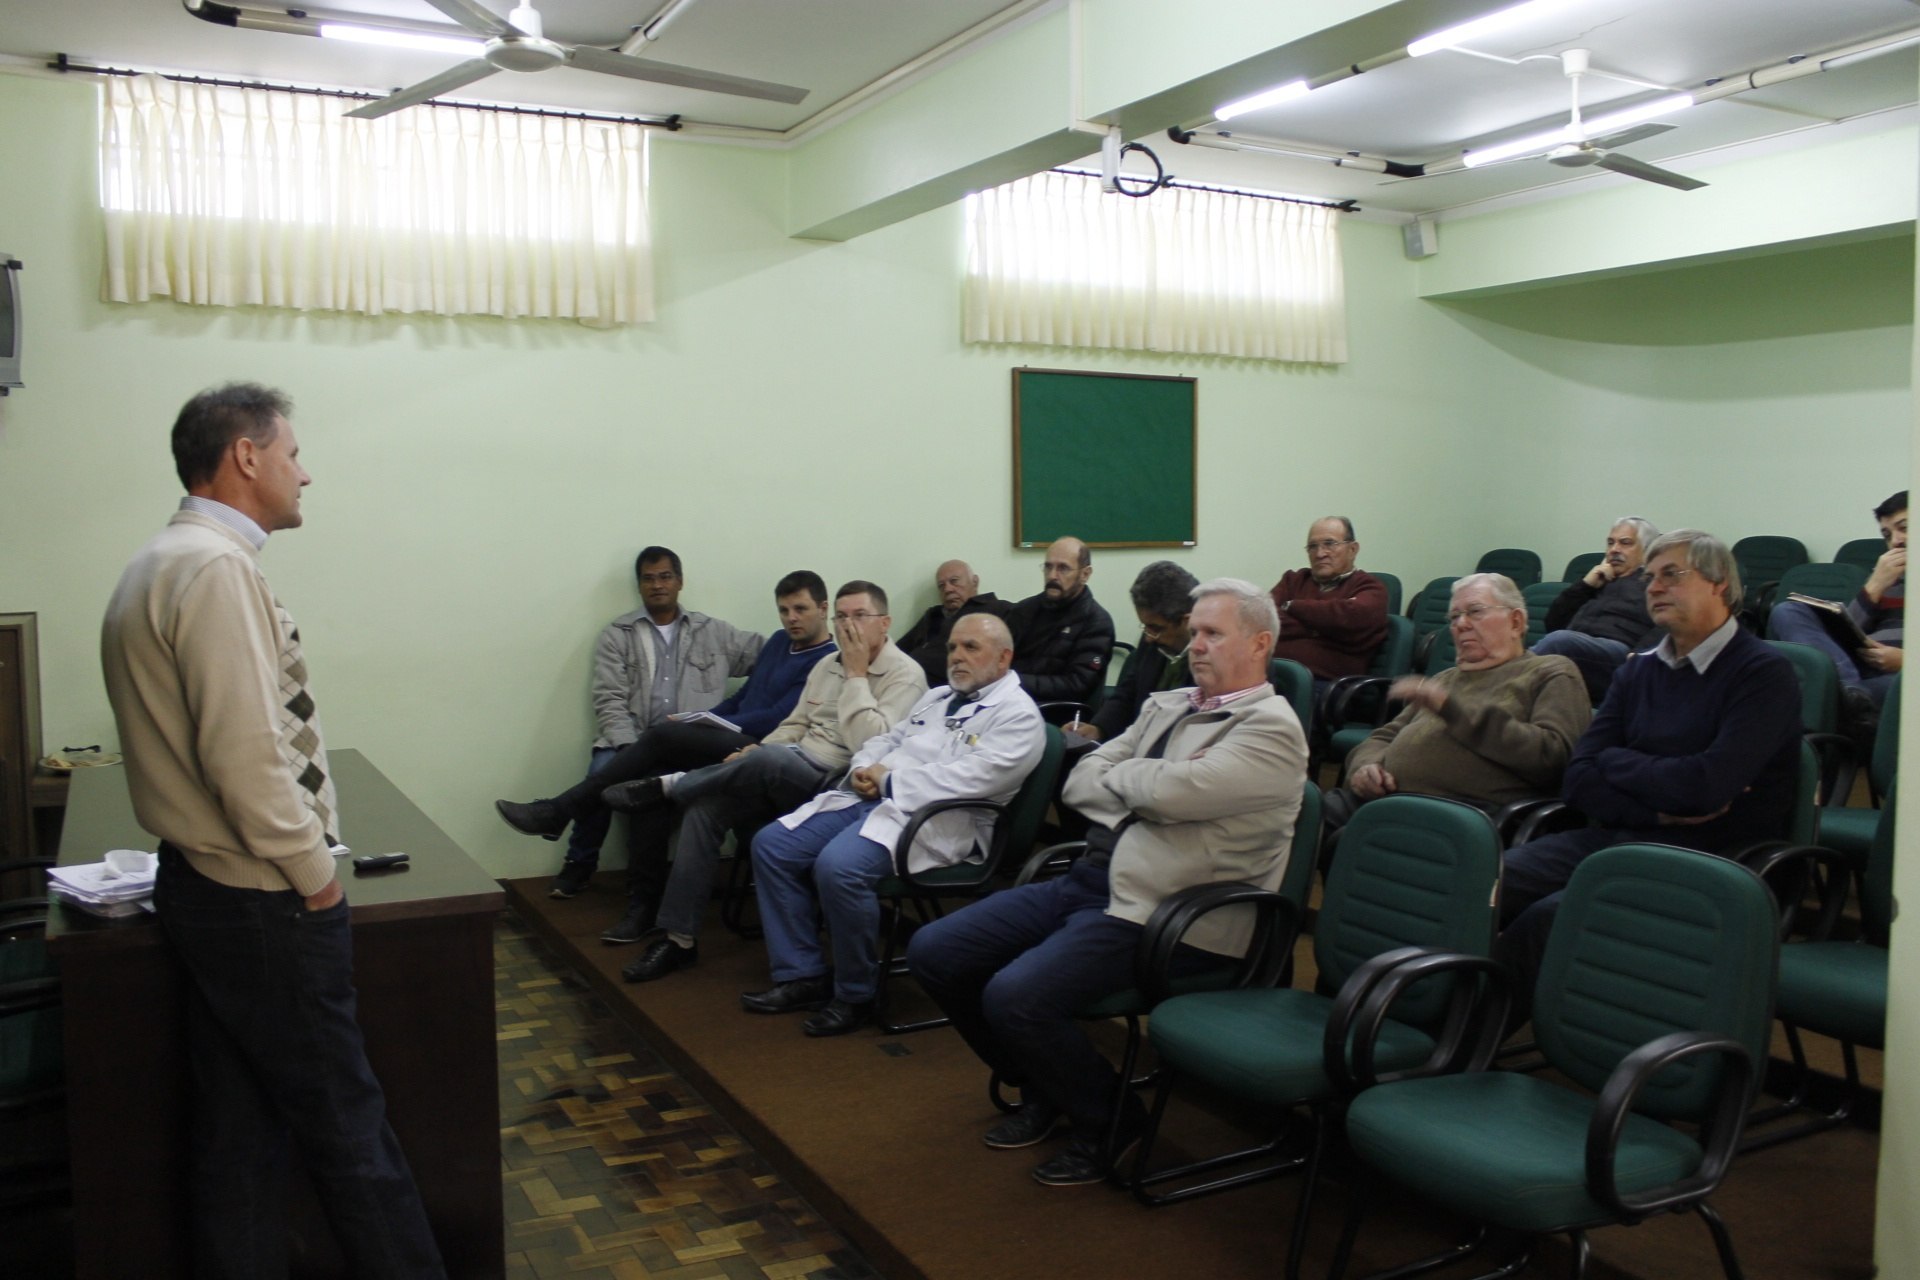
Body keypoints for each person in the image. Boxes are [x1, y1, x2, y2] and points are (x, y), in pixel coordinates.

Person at [100, 383, 445, 1278]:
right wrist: (315, 875)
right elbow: (248, 755)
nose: (306, 474)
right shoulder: (213, 570)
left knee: (241, 1132)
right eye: (292, 454)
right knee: (350, 1130)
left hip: (204, 887)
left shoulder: (161, 558)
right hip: (259, 897)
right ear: (245, 457)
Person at [907, 579, 1308, 1186]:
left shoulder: (1271, 729)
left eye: (1211, 633)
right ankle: (1047, 1086)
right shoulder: (1167, 704)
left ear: (1258, 643)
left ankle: (1114, 1118)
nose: (1194, 645)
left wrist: (1136, 782)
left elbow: (1172, 793)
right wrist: (1149, 787)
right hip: (1095, 880)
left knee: (1016, 995)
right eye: (1193, 631)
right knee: (935, 951)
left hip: (1172, 913)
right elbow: (1078, 779)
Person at [603, 581, 927, 984]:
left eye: (860, 616)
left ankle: (671, 785)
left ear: (885, 623)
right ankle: (678, 939)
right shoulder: (826, 666)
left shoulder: (905, 675)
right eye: (841, 617)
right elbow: (794, 725)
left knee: (770, 759)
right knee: (705, 811)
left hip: (837, 783)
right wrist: (754, 752)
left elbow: (873, 747)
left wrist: (858, 675)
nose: (849, 626)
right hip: (786, 765)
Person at [740, 613, 1046, 1037]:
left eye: (971, 648)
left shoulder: (1018, 717)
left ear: (1004, 657)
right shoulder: (939, 697)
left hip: (937, 821)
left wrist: (887, 780)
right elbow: (886, 738)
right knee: (772, 844)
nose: (957, 656)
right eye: (954, 647)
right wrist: (866, 766)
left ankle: (856, 994)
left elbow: (966, 782)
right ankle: (802, 974)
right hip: (880, 797)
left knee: (839, 868)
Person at [493, 570, 837, 933]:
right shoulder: (779, 642)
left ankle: (560, 810)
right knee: (647, 784)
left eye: (800, 609)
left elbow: (779, 717)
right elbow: (742, 697)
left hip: (763, 750)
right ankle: (644, 905)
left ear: (823, 608)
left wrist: (712, 725)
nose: (791, 618)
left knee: (661, 736)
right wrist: (704, 719)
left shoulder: (827, 659)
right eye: (784, 610)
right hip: (732, 740)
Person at [1501, 530, 1801, 931]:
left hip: (1705, 857)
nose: (1654, 587)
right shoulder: (1637, 669)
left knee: (1547, 922)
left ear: (1720, 584)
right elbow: (1578, 778)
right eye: (1650, 578)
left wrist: (1615, 760)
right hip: (1617, 837)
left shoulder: (1763, 673)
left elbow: (1705, 788)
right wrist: (1656, 809)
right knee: (1483, 882)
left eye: (1672, 574)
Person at [546, 545, 763, 925]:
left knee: (649, 780)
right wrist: (632, 748)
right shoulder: (619, 634)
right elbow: (608, 698)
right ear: (639, 586)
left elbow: (772, 655)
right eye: (649, 578)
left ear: (679, 581)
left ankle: (642, 889)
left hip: (693, 744)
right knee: (603, 770)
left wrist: (815, 654)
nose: (657, 585)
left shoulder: (713, 632)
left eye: (665, 576)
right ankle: (579, 864)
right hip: (631, 739)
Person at [1332, 573, 1590, 833]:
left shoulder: (1551, 672)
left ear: (1516, 622)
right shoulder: (1445, 678)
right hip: (1386, 801)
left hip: (1464, 816)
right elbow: (1383, 737)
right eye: (1454, 617)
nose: (1461, 624)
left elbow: (1553, 758)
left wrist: (1453, 710)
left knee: (1351, 841)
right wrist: (1366, 766)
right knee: (1301, 811)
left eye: (1475, 611)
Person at [1769, 490, 1905, 714]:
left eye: (1904, 528)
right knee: (1787, 610)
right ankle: (1848, 689)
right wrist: (1875, 586)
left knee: (1813, 696)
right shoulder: (1887, 576)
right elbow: (1851, 631)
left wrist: (1907, 662)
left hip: (1902, 676)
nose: (1896, 541)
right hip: (1857, 667)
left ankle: (1840, 694)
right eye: (1887, 535)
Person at [1069, 559, 1198, 743]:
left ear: (1187, 621)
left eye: (1155, 628)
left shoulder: (1214, 659)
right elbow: (1128, 693)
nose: (1147, 637)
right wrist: (1099, 729)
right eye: (1145, 627)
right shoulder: (1154, 641)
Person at [1533, 517, 1661, 703]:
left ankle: (1506, 682)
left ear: (1647, 551)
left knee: (1560, 641)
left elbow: (1669, 625)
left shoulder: (1653, 583)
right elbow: (1552, 623)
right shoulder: (1600, 581)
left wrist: (1640, 654)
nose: (1614, 549)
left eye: (1625, 543)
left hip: (1618, 656)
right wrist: (1585, 585)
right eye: (1610, 543)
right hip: (1577, 649)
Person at [1268, 516, 1388, 683]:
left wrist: (1292, 606)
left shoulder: (1371, 587)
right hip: (1271, 674)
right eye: (1312, 546)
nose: (1320, 553)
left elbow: (1352, 617)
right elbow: (1264, 620)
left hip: (1325, 684)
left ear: (1352, 549)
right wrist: (1322, 627)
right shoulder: (1293, 580)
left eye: (1329, 544)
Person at [1007, 536, 1116, 712]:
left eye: (1063, 568)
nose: (1052, 576)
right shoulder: (1024, 610)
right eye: (1048, 567)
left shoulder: (1097, 622)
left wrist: (1012, 681)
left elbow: (1076, 686)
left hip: (1053, 713)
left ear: (1085, 574)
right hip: (1008, 702)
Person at [897, 558, 1012, 686]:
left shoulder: (997, 609)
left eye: (954, 581)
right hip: (908, 682)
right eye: (942, 585)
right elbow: (898, 650)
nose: (948, 589)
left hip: (952, 687)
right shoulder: (933, 615)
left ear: (975, 582)